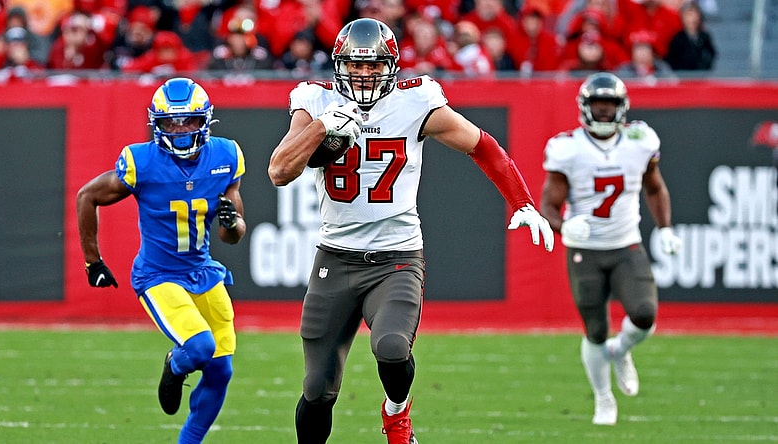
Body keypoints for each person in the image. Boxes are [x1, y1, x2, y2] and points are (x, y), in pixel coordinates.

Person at [267, 18, 554, 444]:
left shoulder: (415, 102)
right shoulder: (315, 100)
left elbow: (481, 145)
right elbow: (279, 171)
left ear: (392, 67)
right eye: (355, 65)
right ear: (339, 66)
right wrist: (323, 126)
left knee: (392, 347)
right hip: (336, 257)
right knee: (317, 389)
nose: (364, 75)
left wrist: (522, 201)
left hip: (396, 257)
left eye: (374, 65)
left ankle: (396, 413)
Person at [76, 77, 247, 444]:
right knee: (199, 347)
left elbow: (232, 235)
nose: (181, 130)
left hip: (203, 271)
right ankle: (175, 364)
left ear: (205, 121)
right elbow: (86, 196)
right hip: (159, 275)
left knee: (221, 369)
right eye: (172, 123)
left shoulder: (225, 156)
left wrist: (231, 222)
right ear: (157, 124)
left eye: (189, 121)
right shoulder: (142, 162)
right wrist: (93, 261)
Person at [539, 72, 682, 426]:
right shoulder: (567, 148)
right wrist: (564, 226)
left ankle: (621, 350)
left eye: (610, 103)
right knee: (595, 330)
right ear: (585, 107)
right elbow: (549, 206)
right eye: (598, 104)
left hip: (625, 244)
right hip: (584, 249)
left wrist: (665, 227)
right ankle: (603, 399)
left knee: (645, 315)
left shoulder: (640, 140)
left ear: (622, 107)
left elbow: (654, 187)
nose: (604, 110)